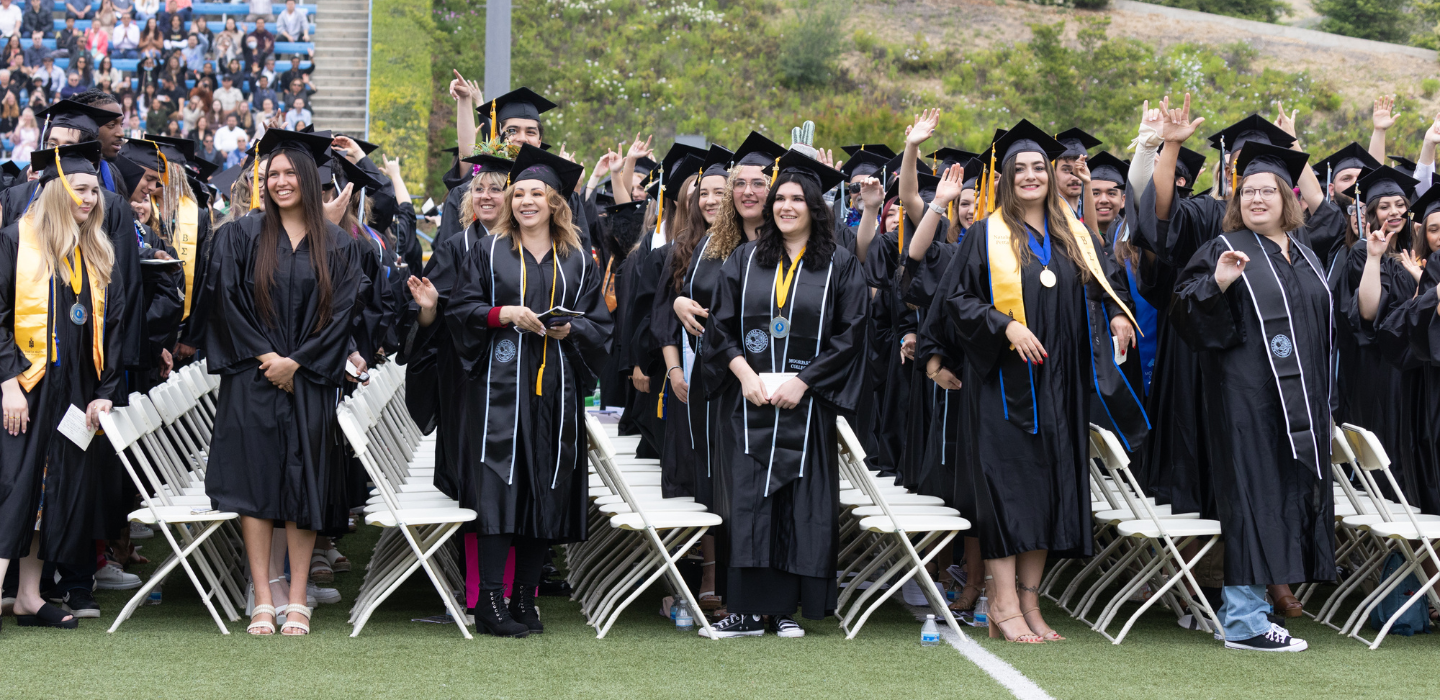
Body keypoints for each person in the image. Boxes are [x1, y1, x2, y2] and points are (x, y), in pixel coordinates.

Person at [943, 120, 1142, 644]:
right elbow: (956, 301)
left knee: (1050, 492)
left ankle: (1030, 607)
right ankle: (1001, 605)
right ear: (1005, 179)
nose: (1030, 176)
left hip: (1061, 387)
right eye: (1019, 169)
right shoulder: (986, 233)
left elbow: (1104, 286)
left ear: (1052, 176)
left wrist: (1118, 314)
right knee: (1009, 495)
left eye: (1038, 168)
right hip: (1005, 392)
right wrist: (1005, 325)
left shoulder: (1071, 234)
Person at [1169, 134, 1332, 652]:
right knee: (1251, 499)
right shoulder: (1223, 249)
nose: (1255, 199)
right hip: (1247, 402)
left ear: (1289, 198)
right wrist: (1215, 284)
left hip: (1302, 407)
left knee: (1282, 499)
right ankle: (1242, 621)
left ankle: (1258, 611)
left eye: (1266, 191)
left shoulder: (1305, 256)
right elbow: (1186, 315)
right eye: (1247, 192)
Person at [440, 144, 611, 637]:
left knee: (545, 490)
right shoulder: (487, 250)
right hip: (499, 390)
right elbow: (462, 310)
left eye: (537, 193)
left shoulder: (578, 259)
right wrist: (503, 315)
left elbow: (600, 324)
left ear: (556, 202)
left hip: (556, 391)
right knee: (499, 487)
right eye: (520, 193)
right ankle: (490, 601)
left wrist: (570, 330)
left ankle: (525, 600)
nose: (526, 202)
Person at [696, 147, 866, 639]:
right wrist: (744, 375)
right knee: (748, 504)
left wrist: (804, 381)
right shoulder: (745, 261)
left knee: (799, 503)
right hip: (748, 403)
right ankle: (748, 612)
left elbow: (851, 333)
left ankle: (787, 608)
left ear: (815, 207)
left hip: (805, 406)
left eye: (797, 199)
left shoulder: (838, 264)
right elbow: (719, 328)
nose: (785, 206)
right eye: (780, 198)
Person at [204, 129, 361, 636]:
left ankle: (298, 598)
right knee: (256, 487)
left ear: (312, 179)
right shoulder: (241, 235)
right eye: (273, 174)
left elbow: (340, 318)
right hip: (253, 378)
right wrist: (270, 357)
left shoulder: (337, 245)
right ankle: (263, 596)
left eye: (291, 173)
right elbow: (228, 304)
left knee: (304, 485)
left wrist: (299, 364)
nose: (281, 182)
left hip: (308, 382)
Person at [0, 142, 124, 630]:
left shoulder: (90, 249)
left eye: (95, 190)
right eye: (80, 188)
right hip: (25, 390)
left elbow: (107, 329)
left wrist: (103, 390)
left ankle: (30, 595)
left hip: (71, 392)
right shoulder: (14, 241)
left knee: (49, 493)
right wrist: (8, 383)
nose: (91, 198)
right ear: (54, 191)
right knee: (13, 488)